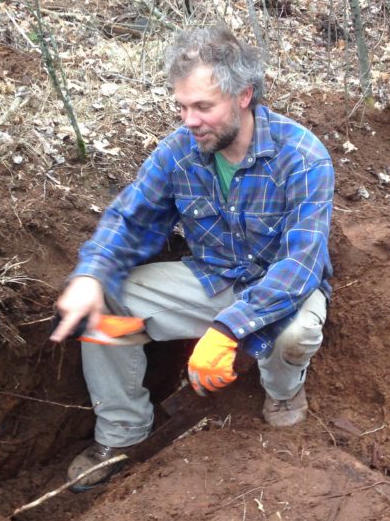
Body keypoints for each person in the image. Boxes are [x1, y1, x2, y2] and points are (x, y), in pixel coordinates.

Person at [51, 25, 334, 489]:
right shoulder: (180, 152)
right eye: (182, 107)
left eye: (203, 107)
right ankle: (122, 433)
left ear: (244, 96)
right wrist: (92, 274)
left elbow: (300, 265)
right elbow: (131, 219)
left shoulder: (302, 156)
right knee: (105, 305)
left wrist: (228, 330)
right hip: (210, 280)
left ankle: (282, 394)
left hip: (282, 291)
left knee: (297, 335)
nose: (189, 120)